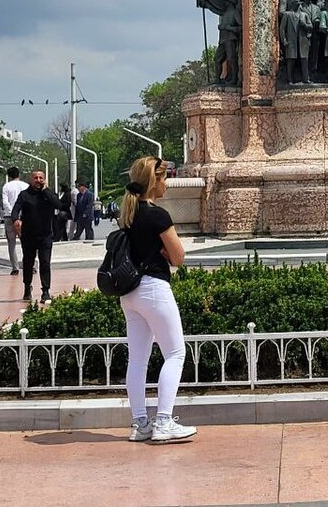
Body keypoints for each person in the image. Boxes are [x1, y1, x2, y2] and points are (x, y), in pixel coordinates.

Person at [118, 156, 196, 444]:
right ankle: (164, 420)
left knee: (137, 359)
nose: (167, 184)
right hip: (154, 288)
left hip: (130, 292)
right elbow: (179, 258)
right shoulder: (157, 215)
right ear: (155, 181)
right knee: (175, 354)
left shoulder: (128, 213)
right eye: (165, 178)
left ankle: (141, 423)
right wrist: (166, 253)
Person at [11, 169, 59, 303]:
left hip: (45, 235)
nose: (38, 180)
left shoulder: (49, 194)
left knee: (45, 262)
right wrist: (15, 220)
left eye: (41, 178)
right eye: (35, 178)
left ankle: (45, 291)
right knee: (28, 263)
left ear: (44, 180)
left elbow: (58, 205)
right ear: (31, 180)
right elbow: (16, 209)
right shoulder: (24, 195)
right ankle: (27, 287)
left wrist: (45, 191)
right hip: (28, 235)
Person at [0, 167, 27, 276]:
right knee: (26, 242)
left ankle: (15, 267)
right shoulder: (25, 185)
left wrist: (12, 213)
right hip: (23, 216)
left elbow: (5, 202)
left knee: (11, 243)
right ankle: (31, 265)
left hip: (9, 217)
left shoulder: (6, 186)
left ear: (9, 175)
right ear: (18, 174)